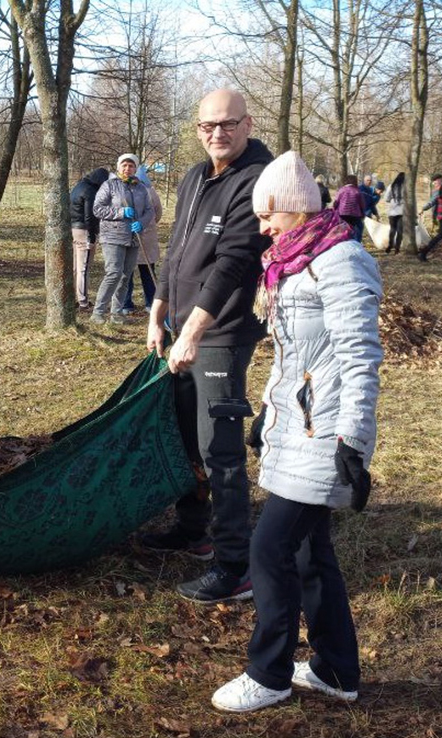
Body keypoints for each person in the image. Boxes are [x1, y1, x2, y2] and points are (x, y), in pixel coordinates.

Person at [211, 150, 381, 713]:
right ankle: (336, 670)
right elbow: (297, 358)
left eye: (269, 217)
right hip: (298, 427)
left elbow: (359, 357)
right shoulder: (293, 262)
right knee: (310, 552)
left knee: (270, 548)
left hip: (328, 433)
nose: (262, 228)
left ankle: (269, 673)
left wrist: (353, 443)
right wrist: (268, 413)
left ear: (298, 210)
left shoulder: (340, 261)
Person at [141, 89, 272, 604]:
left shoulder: (257, 178)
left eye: (228, 124)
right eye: (207, 125)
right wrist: (159, 311)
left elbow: (234, 262)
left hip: (221, 333)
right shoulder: (195, 177)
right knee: (182, 437)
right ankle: (193, 529)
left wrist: (193, 333)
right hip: (180, 328)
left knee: (219, 448)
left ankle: (234, 564)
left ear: (247, 123)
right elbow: (177, 251)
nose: (217, 133)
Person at [90, 153, 154, 324]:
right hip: (112, 235)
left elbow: (150, 210)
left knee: (126, 275)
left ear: (135, 168)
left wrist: (141, 223)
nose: (127, 169)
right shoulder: (109, 185)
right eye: (124, 165)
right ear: (118, 167)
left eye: (131, 166)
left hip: (133, 236)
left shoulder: (140, 187)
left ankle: (117, 313)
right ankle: (98, 312)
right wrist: (120, 212)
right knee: (113, 273)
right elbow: (97, 209)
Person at [120, 165, 162, 314]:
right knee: (132, 272)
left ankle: (141, 303)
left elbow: (156, 212)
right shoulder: (126, 190)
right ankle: (132, 304)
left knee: (141, 271)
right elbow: (158, 214)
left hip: (145, 238)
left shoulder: (147, 192)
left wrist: (145, 224)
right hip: (131, 236)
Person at [69, 167, 110, 311]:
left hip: (74, 228)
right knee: (84, 268)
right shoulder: (90, 191)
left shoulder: (78, 186)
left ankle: (73, 297)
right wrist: (92, 237)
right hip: (84, 230)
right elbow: (90, 216)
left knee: (76, 267)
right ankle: (83, 302)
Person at [333, 175, 365, 242]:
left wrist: (334, 210)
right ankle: (356, 243)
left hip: (342, 214)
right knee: (357, 229)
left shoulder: (342, 190)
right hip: (355, 214)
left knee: (342, 230)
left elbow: (336, 202)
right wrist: (363, 213)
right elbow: (362, 204)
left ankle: (342, 242)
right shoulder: (357, 191)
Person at [418, 174, 442, 261]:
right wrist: (423, 208)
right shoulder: (438, 190)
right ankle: (423, 253)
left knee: (439, 236)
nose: (435, 184)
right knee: (439, 236)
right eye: (434, 182)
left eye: (437, 181)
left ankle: (423, 252)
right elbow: (432, 202)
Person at [384, 172, 405, 254]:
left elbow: (386, 198)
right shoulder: (406, 187)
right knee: (400, 230)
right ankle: (397, 248)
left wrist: (392, 200)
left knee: (393, 229)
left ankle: (390, 245)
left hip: (392, 211)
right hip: (402, 211)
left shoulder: (391, 186)